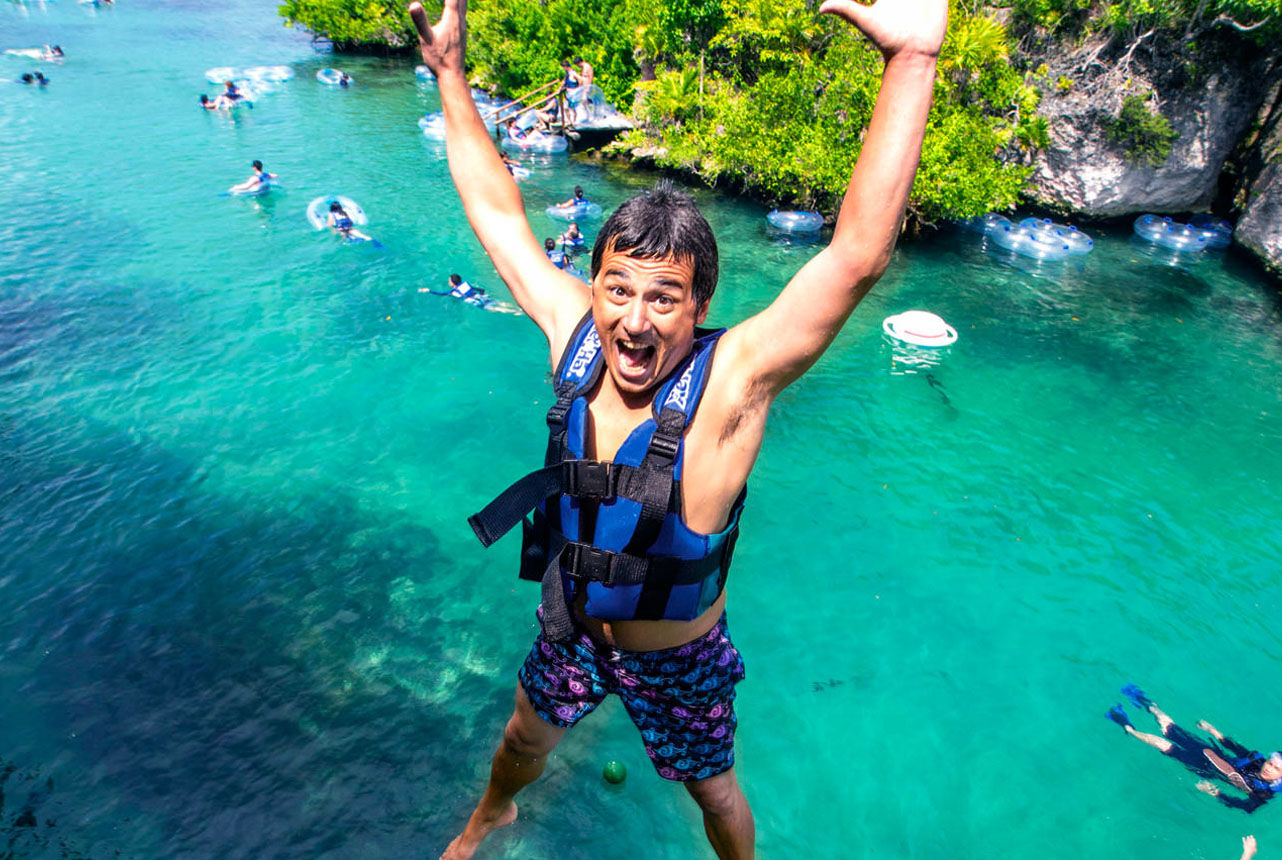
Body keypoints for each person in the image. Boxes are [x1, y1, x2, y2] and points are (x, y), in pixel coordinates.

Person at [410, 0, 945, 854]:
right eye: (618, 289)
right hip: (574, 628)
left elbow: (856, 257)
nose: (635, 319)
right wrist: (449, 74)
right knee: (519, 742)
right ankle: (490, 816)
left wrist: (912, 58)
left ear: (700, 308)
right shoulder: (572, 333)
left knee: (716, 796)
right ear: (594, 287)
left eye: (665, 299)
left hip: (678, 660)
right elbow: (499, 216)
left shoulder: (734, 379)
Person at [1108, 686, 1282, 813]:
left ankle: (1128, 728)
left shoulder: (1264, 793)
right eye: (1270, 762)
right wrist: (1211, 730)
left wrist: (1215, 793)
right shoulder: (1256, 759)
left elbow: (1245, 806)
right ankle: (1142, 699)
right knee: (1167, 726)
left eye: (1276, 768)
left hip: (1206, 768)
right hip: (1212, 753)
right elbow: (1232, 746)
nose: (1268, 767)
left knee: (1163, 744)